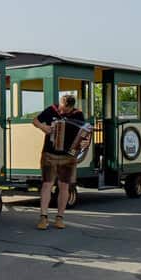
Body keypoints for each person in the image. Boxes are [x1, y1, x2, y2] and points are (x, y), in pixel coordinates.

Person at [33, 94, 86, 230]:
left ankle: (59, 217)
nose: (62, 112)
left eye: (65, 111)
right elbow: (35, 121)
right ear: (60, 104)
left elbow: (84, 133)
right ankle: (43, 217)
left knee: (64, 186)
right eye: (61, 109)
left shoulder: (78, 115)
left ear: (71, 107)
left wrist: (84, 142)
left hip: (69, 155)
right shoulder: (51, 110)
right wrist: (43, 127)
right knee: (47, 184)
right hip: (49, 153)